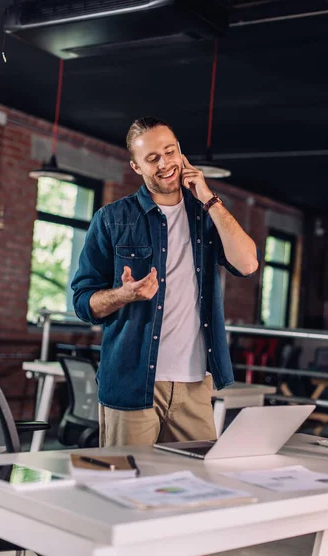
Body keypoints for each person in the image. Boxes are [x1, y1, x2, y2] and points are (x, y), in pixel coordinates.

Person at [72, 116, 259, 447]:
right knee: (127, 488)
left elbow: (247, 263)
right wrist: (123, 295)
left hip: (194, 386)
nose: (164, 164)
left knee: (196, 489)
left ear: (181, 154)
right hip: (131, 383)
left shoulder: (205, 216)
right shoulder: (112, 219)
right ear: (136, 166)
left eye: (169, 152)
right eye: (152, 158)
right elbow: (83, 303)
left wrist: (209, 198)